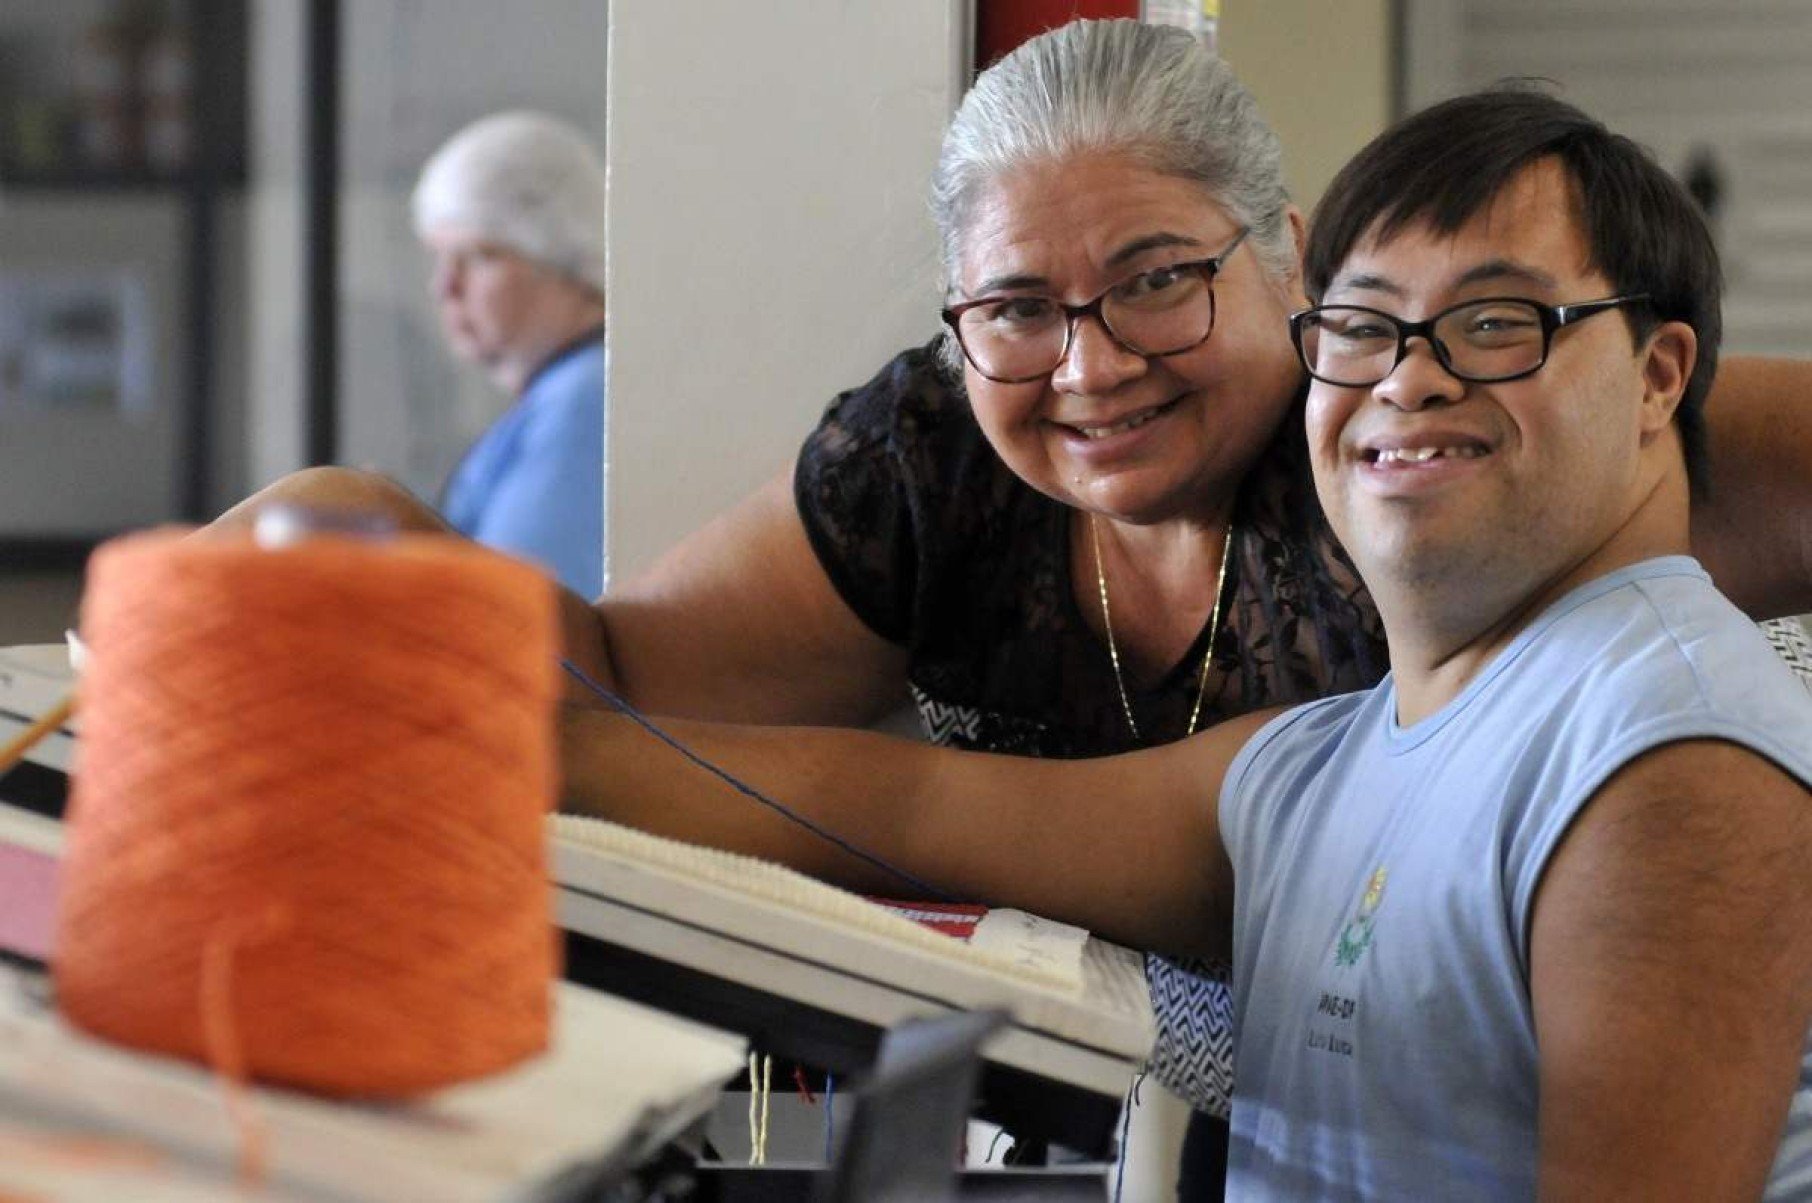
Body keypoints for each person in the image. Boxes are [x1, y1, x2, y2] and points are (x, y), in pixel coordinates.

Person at [218, 20, 1812, 1195]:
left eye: (1157, 280)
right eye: (1018, 310)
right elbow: (890, 788)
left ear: (1279, 264)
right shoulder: (1308, 761)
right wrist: (391, 623)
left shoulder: (1647, 739)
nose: (1091, 361)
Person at [412, 110, 607, 596]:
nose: (445, 287)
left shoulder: (584, 403)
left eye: (479, 255)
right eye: (440, 258)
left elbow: (503, 606)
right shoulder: (565, 396)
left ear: (567, 261)